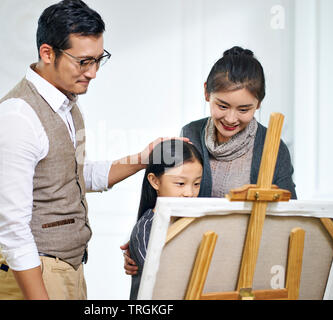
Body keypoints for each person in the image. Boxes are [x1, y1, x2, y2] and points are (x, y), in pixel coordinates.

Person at [0, 0, 186, 300]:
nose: (93, 73)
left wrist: (143, 159)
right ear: (47, 53)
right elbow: (13, 229)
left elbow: (74, 175)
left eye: (98, 59)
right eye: (83, 61)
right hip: (33, 273)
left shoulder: (67, 106)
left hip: (68, 268)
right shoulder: (17, 116)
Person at [122, 46, 297, 276]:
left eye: (244, 109)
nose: (231, 118)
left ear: (259, 103)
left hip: (247, 266)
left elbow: (290, 217)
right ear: (207, 93)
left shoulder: (272, 147)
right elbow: (169, 194)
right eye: (222, 106)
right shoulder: (191, 133)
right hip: (193, 263)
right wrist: (143, 243)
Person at [128, 139, 203, 299]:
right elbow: (161, 277)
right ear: (155, 181)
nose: (190, 193)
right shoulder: (146, 228)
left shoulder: (195, 222)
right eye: (180, 183)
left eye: (196, 184)